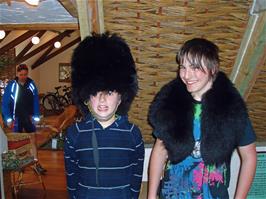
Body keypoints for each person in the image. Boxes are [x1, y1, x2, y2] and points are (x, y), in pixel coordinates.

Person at [147, 38, 257, 199]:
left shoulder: (231, 108)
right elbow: (159, 151)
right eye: (182, 67)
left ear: (213, 69)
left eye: (195, 67)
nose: (186, 75)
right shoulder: (171, 104)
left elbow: (249, 156)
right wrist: (150, 196)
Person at [64, 32, 145, 199]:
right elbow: (71, 177)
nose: (102, 99)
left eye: (109, 92)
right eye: (94, 92)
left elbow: (136, 177)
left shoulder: (133, 135)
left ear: (121, 96)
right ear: (85, 96)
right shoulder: (74, 134)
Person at [1, 63, 46, 174]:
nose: (23, 77)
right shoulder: (11, 85)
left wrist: (36, 116)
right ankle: (19, 165)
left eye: (25, 74)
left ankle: (36, 164)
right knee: (19, 143)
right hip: (16, 118)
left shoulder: (31, 84)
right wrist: (8, 119)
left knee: (33, 141)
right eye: (21, 74)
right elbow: (5, 104)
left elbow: (35, 101)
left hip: (29, 117)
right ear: (17, 74)